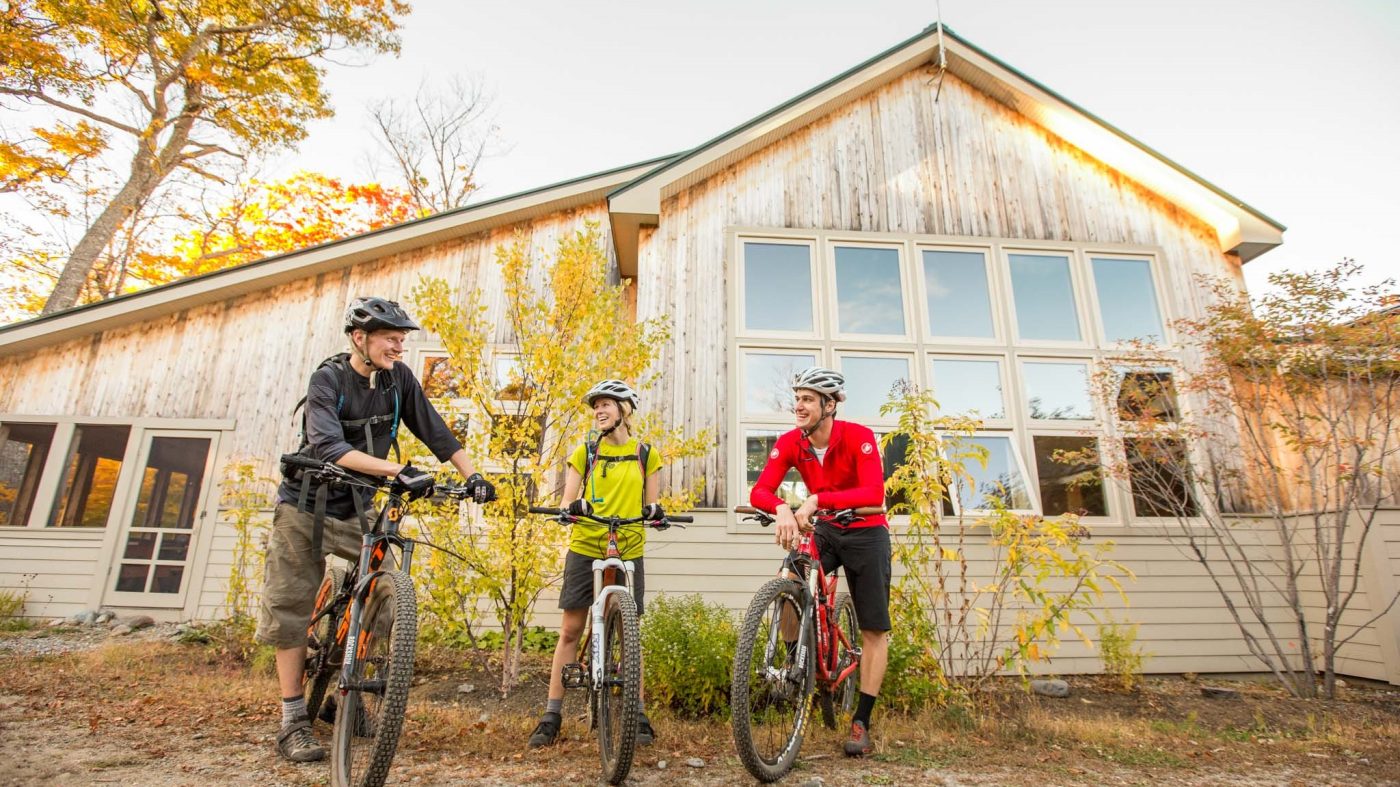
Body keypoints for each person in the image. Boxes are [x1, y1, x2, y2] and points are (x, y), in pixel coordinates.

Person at [258, 296, 495, 763]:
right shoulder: (329, 380)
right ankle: (292, 721)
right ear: (359, 338)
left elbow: (435, 430)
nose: (399, 346)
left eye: (402, 339)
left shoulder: (398, 379)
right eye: (391, 338)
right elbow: (326, 445)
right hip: (307, 506)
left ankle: (341, 692)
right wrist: (397, 470)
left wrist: (473, 475)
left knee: (384, 591)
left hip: (358, 507)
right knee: (290, 604)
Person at [748, 366, 890, 757]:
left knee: (874, 628)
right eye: (798, 398)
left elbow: (873, 493)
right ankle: (797, 667)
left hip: (867, 531)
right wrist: (780, 507)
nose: (799, 405)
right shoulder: (792, 441)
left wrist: (816, 500)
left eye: (808, 399)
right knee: (791, 578)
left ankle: (861, 720)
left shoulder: (859, 437)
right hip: (826, 530)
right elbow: (760, 488)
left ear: (830, 405)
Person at [527, 379, 665, 749]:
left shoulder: (646, 454)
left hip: (628, 547)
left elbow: (650, 505)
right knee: (571, 629)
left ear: (626, 410)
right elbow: (568, 501)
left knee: (630, 634)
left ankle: (636, 713)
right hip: (587, 544)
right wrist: (571, 508)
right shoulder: (584, 452)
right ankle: (551, 715)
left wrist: (656, 513)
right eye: (596, 406)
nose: (599, 411)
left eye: (606, 404)